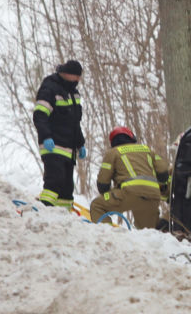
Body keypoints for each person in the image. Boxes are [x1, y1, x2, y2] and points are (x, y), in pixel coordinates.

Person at [89, 126, 170, 228]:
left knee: (97, 205)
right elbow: (163, 173)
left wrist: (110, 194)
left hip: (128, 193)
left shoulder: (113, 152)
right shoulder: (147, 150)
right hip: (153, 195)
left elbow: (103, 184)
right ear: (132, 137)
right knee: (148, 233)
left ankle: (108, 236)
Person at [34, 59, 86, 208]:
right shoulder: (50, 88)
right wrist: (46, 136)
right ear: (67, 74)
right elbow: (40, 115)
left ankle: (64, 220)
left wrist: (80, 144)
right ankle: (44, 209)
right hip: (53, 145)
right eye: (75, 76)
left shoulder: (74, 94)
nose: (77, 80)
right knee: (54, 181)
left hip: (69, 149)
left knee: (67, 188)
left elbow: (75, 123)